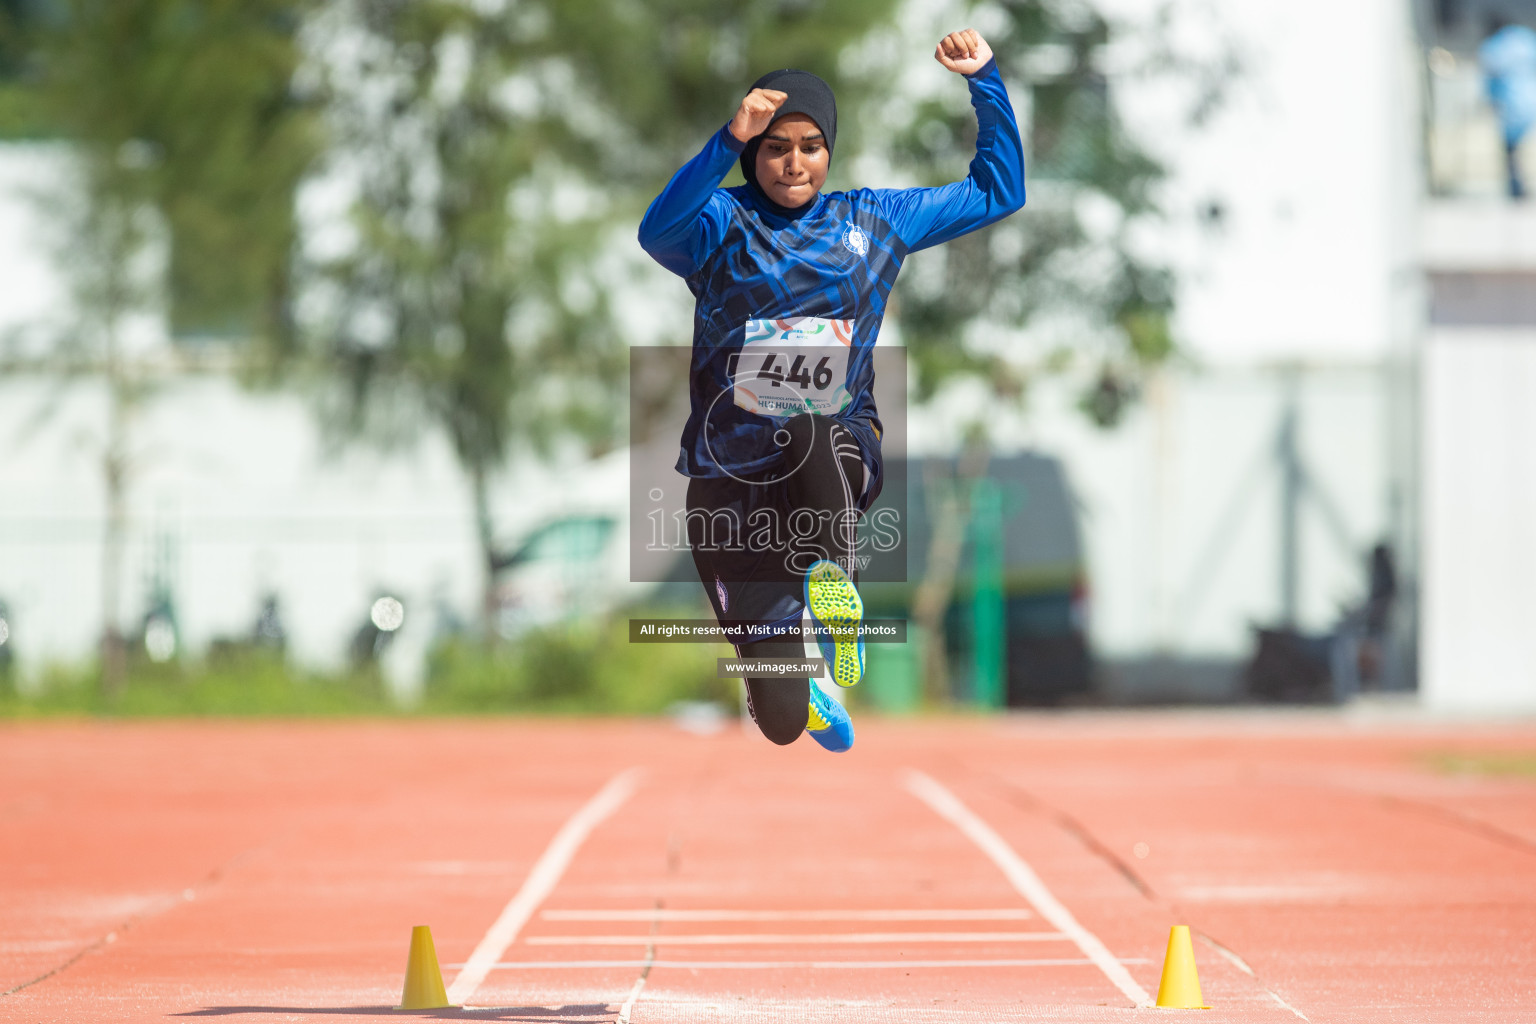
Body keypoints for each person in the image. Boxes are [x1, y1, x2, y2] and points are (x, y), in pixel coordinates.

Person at [638, 29, 1025, 751]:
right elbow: (657, 232)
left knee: (807, 420)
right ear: (755, 153)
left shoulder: (873, 219)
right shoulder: (723, 221)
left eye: (810, 145)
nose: (792, 162)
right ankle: (802, 680)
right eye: (775, 146)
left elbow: (999, 190)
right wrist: (726, 139)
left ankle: (832, 585)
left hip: (832, 460)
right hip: (729, 493)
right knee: (783, 726)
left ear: (830, 150)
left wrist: (986, 81)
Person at [1479, 14, 1536, 199]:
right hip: (1531, 98)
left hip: (1511, 103)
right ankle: (1521, 186)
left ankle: (1516, 188)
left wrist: (1488, 101)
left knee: (1511, 148)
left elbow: (1489, 80)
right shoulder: (1526, 39)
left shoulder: (1493, 47)